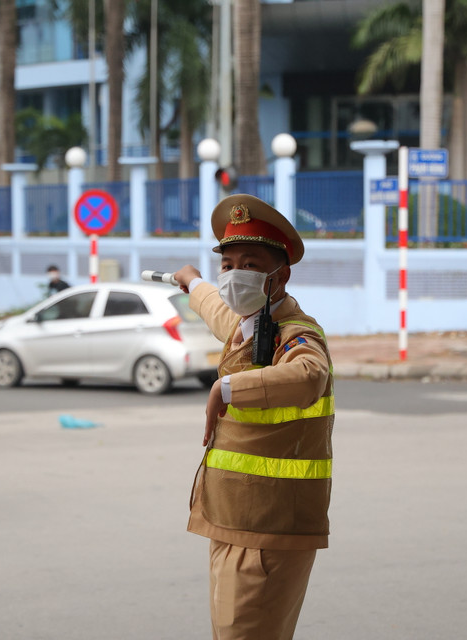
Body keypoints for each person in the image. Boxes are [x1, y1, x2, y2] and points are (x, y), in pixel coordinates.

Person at [172, 194, 334, 640]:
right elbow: (219, 312)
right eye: (228, 265)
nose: (234, 274)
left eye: (249, 263)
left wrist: (226, 388)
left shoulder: (293, 334)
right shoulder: (250, 325)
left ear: (278, 276)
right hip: (236, 521)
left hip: (266, 530)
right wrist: (194, 283)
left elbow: (309, 375)